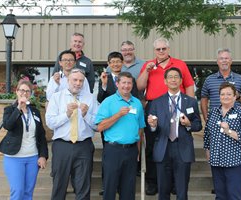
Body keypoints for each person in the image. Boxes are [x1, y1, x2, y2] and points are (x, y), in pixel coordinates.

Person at [137, 37, 195, 195]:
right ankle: (152, 181)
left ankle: (177, 183)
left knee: (178, 142)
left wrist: (189, 107)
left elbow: (189, 85)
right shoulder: (148, 64)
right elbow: (140, 86)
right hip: (155, 108)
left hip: (178, 107)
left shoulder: (180, 64)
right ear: (154, 50)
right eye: (158, 49)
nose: (161, 51)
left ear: (168, 49)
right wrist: (147, 71)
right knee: (152, 145)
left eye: (164, 49)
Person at [147, 67, 202, 200]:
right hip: (163, 148)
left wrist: (189, 124)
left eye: (176, 77)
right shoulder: (156, 102)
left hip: (182, 147)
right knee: (163, 190)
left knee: (182, 190)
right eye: (170, 77)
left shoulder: (191, 101)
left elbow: (198, 125)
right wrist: (153, 126)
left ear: (181, 80)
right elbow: (151, 128)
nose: (173, 79)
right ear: (165, 81)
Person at [46, 69, 98, 200]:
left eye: (81, 80)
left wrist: (86, 115)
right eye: (75, 80)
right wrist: (67, 114)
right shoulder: (56, 97)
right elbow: (50, 123)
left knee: (83, 185)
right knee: (59, 184)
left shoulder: (90, 98)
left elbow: (97, 125)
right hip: (62, 146)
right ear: (68, 81)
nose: (78, 83)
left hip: (84, 146)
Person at [95, 72, 145, 200]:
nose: (126, 86)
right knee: (110, 187)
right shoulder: (108, 101)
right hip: (113, 150)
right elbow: (100, 127)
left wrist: (138, 150)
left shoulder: (137, 103)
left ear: (132, 85)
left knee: (129, 189)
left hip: (131, 150)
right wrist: (118, 115)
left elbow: (140, 128)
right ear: (117, 84)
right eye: (123, 83)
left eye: (129, 83)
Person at [0, 80, 48, 200]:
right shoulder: (9, 110)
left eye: (27, 91)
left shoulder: (34, 111)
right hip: (14, 158)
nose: (24, 93)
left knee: (28, 192)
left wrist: (43, 155)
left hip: (33, 157)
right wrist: (19, 108)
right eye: (21, 90)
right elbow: (8, 126)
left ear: (30, 94)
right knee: (18, 191)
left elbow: (41, 135)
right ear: (16, 92)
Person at [203, 82, 241, 200]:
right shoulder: (213, 113)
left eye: (229, 94)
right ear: (219, 96)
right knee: (220, 196)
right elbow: (207, 134)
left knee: (234, 195)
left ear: (235, 96)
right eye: (222, 94)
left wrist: (229, 131)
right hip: (216, 161)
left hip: (234, 162)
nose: (225, 97)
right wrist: (207, 150)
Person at [200, 48, 241, 122]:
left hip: (236, 121)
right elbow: (204, 99)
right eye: (221, 58)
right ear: (217, 62)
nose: (224, 61)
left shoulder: (239, 78)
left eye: (226, 58)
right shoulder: (209, 80)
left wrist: (238, 97)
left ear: (231, 61)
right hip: (215, 120)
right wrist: (206, 118)